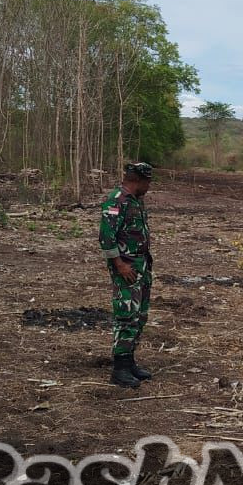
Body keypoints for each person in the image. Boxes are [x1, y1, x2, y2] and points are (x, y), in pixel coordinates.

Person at [98, 162, 155, 388]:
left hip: (141, 266)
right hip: (126, 268)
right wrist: (120, 266)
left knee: (139, 315)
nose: (149, 187)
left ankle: (130, 360)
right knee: (126, 315)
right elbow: (106, 237)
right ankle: (119, 367)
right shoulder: (116, 201)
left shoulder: (136, 201)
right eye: (148, 183)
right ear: (138, 180)